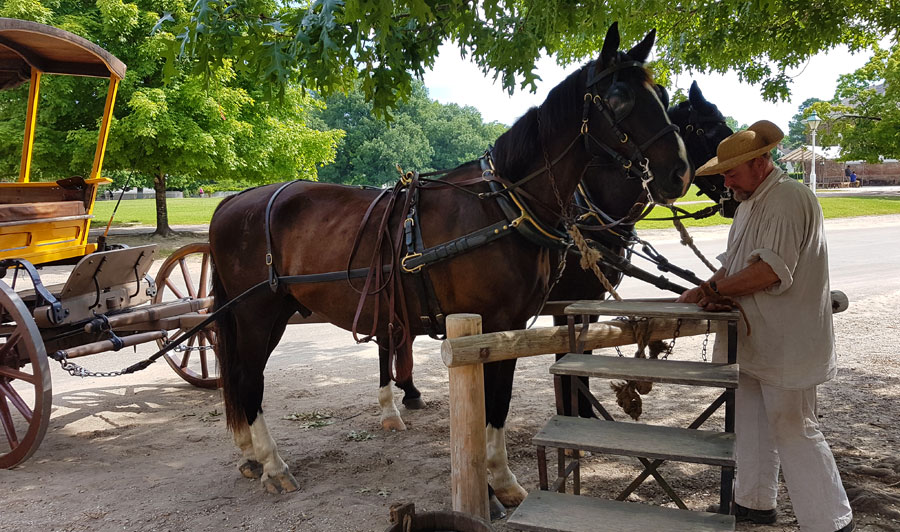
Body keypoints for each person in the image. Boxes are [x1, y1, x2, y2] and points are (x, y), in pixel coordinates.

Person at [678, 120, 854, 532]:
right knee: (752, 423)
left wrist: (712, 288)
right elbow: (738, 266)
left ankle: (831, 521)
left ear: (761, 162)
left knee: (794, 429)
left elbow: (767, 273)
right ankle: (755, 503)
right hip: (756, 341)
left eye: (733, 169)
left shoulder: (788, 198)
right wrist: (704, 288)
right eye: (723, 171)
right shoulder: (750, 202)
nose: (726, 178)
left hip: (788, 342)